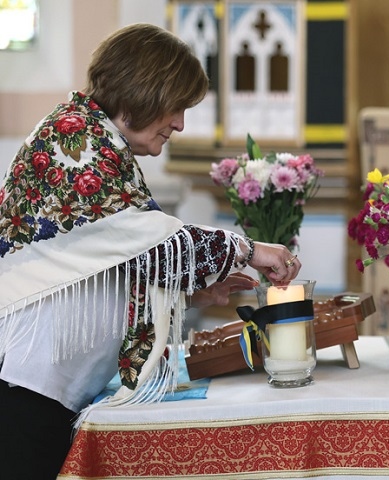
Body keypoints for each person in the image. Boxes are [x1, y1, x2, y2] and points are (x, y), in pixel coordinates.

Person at [0, 23, 302, 479]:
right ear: (145, 91)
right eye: (176, 107)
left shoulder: (101, 141)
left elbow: (115, 258)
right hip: (21, 390)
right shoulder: (73, 140)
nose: (179, 123)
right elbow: (150, 238)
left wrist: (193, 293)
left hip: (43, 389)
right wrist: (248, 249)